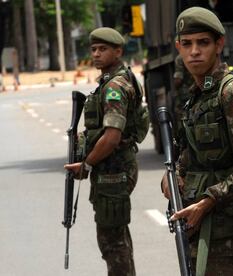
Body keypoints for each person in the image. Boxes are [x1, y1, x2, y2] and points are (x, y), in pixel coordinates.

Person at [161, 7, 233, 275]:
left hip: (228, 235)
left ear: (219, 44)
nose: (194, 51)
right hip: (201, 230)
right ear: (178, 47)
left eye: (203, 42)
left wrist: (208, 201)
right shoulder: (198, 96)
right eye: (187, 44)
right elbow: (192, 155)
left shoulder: (232, 92)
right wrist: (174, 176)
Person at [64, 27, 148, 276]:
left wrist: (86, 164)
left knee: (113, 244)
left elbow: (111, 137)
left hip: (114, 170)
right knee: (118, 239)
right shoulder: (118, 79)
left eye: (103, 49)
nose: (97, 54)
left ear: (118, 51)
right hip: (115, 168)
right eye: (93, 50)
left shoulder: (114, 87)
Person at [173, 54, 193, 140]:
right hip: (197, 91)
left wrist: (175, 87)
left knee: (182, 120)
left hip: (186, 95)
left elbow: (178, 79)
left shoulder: (181, 58)